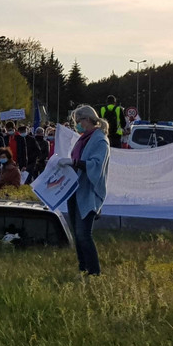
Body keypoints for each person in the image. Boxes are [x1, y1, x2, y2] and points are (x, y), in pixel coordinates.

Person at [57, 104, 111, 276]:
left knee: (84, 233)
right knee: (77, 232)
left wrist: (72, 163)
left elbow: (95, 165)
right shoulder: (84, 139)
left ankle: (94, 271)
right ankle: (83, 267)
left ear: (87, 119)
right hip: (75, 190)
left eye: (79, 121)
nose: (78, 125)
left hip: (87, 192)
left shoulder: (100, 140)